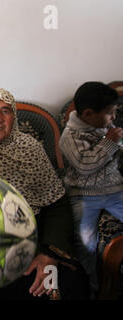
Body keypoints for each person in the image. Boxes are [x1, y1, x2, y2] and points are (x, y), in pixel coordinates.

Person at [0, 88, 89, 299]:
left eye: (6, 111)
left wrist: (49, 253)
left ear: (14, 117)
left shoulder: (30, 148)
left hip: (32, 244)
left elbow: (56, 203)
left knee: (63, 283)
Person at [58, 81, 123, 296]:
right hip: (84, 196)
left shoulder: (104, 127)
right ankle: (92, 287)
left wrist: (116, 141)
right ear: (88, 114)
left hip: (114, 191)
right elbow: (85, 166)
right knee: (86, 242)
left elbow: (116, 151)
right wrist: (109, 142)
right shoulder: (70, 137)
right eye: (110, 113)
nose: (113, 118)